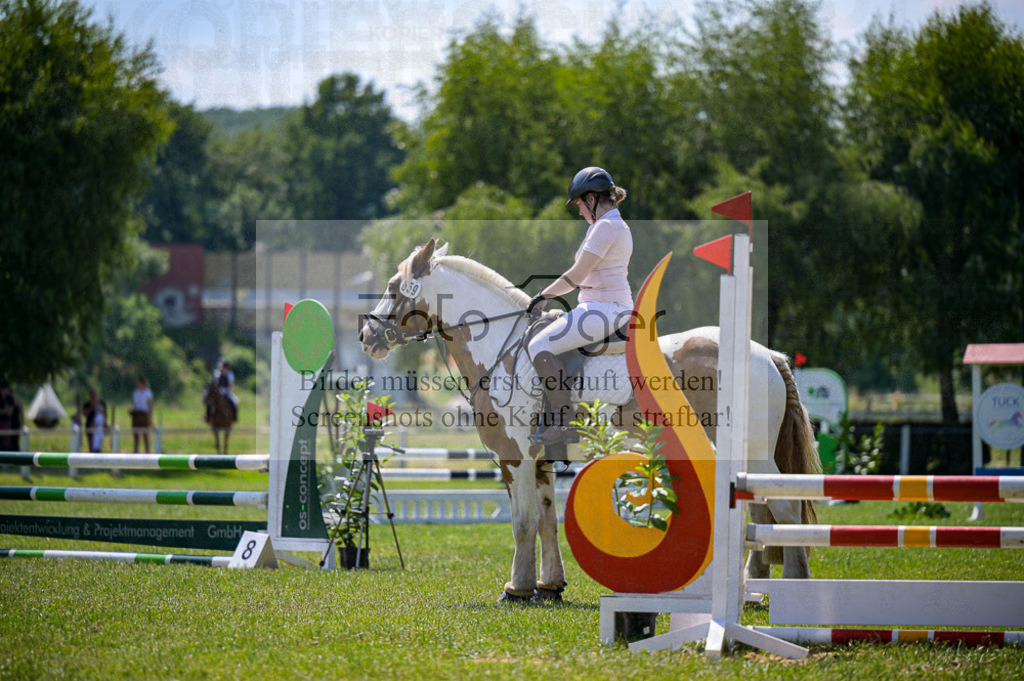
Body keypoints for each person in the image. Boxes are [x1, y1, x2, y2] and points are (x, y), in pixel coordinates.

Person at [526, 167, 633, 445]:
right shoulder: (611, 225)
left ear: (591, 198)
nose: (580, 212)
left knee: (539, 345)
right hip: (606, 306)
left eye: (579, 206)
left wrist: (542, 296)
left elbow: (576, 276)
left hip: (605, 309)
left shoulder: (606, 227)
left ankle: (566, 422)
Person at [131, 375, 154, 454]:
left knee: (145, 434)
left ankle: (148, 452)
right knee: (136, 435)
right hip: (137, 414)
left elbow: (150, 405)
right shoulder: (136, 392)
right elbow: (134, 404)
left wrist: (150, 418)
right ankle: (136, 452)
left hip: (144, 415)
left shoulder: (148, 393)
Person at [0, 381, 23, 452]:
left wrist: (3, 411)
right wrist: (4, 411)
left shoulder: (9, 399)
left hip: (8, 423)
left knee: (9, 442)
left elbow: (10, 412)